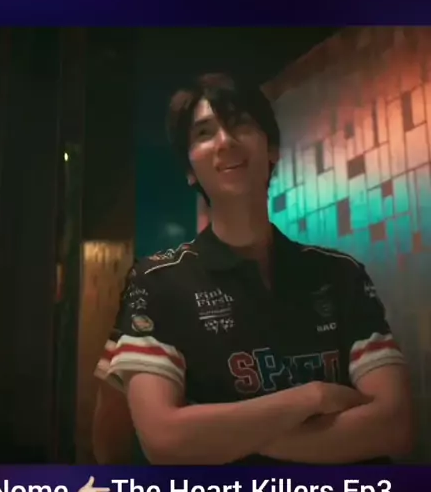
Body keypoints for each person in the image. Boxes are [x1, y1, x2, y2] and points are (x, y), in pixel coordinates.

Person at [93, 72, 413, 465]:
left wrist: (217, 436)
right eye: (204, 133)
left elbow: (395, 426)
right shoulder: (159, 281)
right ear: (189, 169)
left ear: (272, 148)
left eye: (240, 123)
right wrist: (313, 397)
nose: (225, 141)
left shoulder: (341, 274)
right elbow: (163, 439)